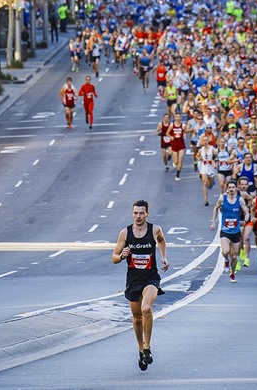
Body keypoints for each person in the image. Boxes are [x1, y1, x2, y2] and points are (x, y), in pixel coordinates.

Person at [112, 200, 169, 371]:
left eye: (141, 213)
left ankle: (147, 347)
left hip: (150, 278)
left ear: (147, 214)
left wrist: (164, 257)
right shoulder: (125, 233)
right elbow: (114, 257)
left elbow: (162, 241)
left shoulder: (154, 230)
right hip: (133, 281)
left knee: (146, 309)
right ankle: (140, 349)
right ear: (132, 214)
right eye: (136, 213)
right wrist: (122, 255)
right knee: (137, 319)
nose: (138, 216)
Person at [211, 180, 247, 283]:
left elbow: (246, 212)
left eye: (233, 187)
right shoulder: (222, 199)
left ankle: (232, 273)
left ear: (236, 189)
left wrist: (245, 220)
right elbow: (215, 208)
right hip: (225, 231)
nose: (231, 189)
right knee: (225, 251)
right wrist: (213, 222)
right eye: (229, 187)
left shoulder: (240, 200)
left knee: (235, 256)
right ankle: (226, 260)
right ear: (227, 189)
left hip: (236, 231)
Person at [166, 112, 186, 181]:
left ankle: (177, 175)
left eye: (179, 117)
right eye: (176, 116)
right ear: (175, 118)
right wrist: (170, 136)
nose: (178, 118)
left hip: (181, 144)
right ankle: (173, 161)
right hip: (174, 144)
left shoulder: (183, 125)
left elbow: (186, 131)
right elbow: (167, 133)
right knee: (176, 162)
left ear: (181, 118)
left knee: (180, 159)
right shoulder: (172, 125)